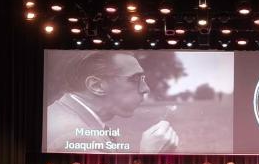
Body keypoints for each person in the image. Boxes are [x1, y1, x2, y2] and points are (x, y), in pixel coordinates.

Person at [46, 52, 179, 152]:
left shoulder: (60, 113)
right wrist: (149, 154)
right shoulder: (74, 138)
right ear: (96, 86)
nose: (146, 89)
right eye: (135, 78)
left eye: (143, 78)